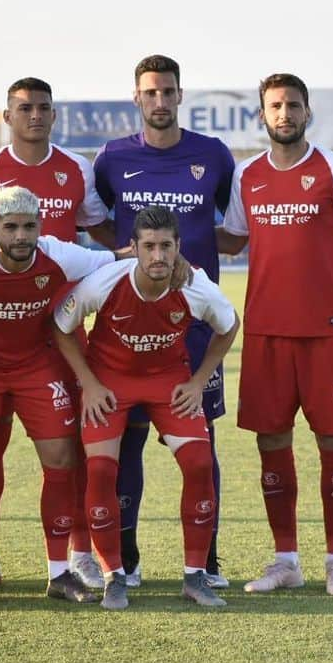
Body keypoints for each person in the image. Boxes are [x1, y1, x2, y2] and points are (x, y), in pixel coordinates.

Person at [0, 76, 110, 589]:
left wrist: (159, 251)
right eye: (24, 108)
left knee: (69, 451)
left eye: (43, 108)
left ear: (53, 115)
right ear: (8, 115)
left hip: (57, 335)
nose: (35, 115)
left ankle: (74, 555)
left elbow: (101, 238)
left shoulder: (77, 169)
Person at [217, 73, 333, 597]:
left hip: (327, 336)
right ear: (262, 115)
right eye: (275, 106)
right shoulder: (247, 177)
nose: (284, 114)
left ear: (308, 113)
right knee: (272, 442)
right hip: (265, 334)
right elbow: (232, 242)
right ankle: (286, 559)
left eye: (292, 105)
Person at [90, 54, 236, 588]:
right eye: (149, 92)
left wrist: (187, 265)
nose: (159, 101)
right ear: (137, 97)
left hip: (193, 328)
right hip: (130, 326)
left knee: (202, 442)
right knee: (126, 441)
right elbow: (101, 225)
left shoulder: (213, 156)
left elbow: (234, 230)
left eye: (167, 92)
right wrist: (139, 259)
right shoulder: (111, 159)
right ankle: (125, 561)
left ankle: (208, 560)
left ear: (180, 96)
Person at [54, 205, 239, 610]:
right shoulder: (104, 281)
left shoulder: (196, 285)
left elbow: (229, 325)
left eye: (166, 247)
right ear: (133, 248)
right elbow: (62, 326)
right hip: (110, 383)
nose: (158, 257)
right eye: (150, 247)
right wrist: (89, 383)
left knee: (199, 464)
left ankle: (195, 576)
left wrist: (196, 381)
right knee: (101, 469)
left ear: (178, 248)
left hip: (168, 381)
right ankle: (113, 576)